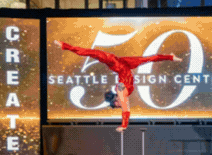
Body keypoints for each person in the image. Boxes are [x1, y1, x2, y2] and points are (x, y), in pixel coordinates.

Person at [54, 40, 182, 132]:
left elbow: (126, 109)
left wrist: (124, 125)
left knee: (93, 53)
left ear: (115, 100)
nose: (118, 106)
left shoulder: (121, 92)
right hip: (125, 64)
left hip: (115, 63)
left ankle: (66, 46)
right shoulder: (122, 93)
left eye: (115, 105)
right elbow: (125, 107)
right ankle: (170, 56)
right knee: (149, 59)